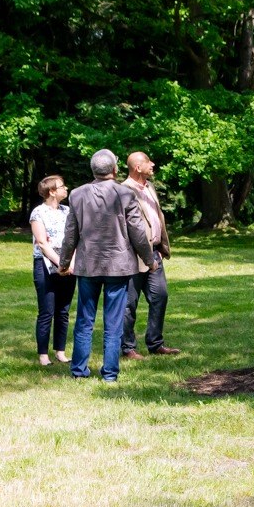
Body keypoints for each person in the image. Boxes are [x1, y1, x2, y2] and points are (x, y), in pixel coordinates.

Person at [58, 149, 155, 383]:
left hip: (88, 265)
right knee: (113, 322)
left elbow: (70, 234)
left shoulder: (78, 194)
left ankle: (79, 370)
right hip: (118, 266)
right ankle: (110, 373)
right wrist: (149, 260)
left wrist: (64, 262)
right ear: (114, 170)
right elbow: (138, 233)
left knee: (84, 320)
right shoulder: (125, 194)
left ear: (93, 171)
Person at [120, 152, 180, 359]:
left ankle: (155, 343)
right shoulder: (124, 190)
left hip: (154, 253)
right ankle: (127, 347)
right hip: (132, 255)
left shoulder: (149, 187)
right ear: (137, 167)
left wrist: (161, 247)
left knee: (160, 296)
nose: (153, 164)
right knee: (129, 303)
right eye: (148, 162)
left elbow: (157, 217)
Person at [29, 175, 77, 366]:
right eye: (62, 186)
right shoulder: (38, 213)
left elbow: (75, 239)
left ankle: (60, 351)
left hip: (68, 264)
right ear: (52, 191)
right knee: (46, 311)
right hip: (46, 265)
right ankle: (43, 354)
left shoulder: (68, 211)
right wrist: (61, 264)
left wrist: (70, 262)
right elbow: (42, 243)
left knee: (63, 311)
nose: (66, 189)